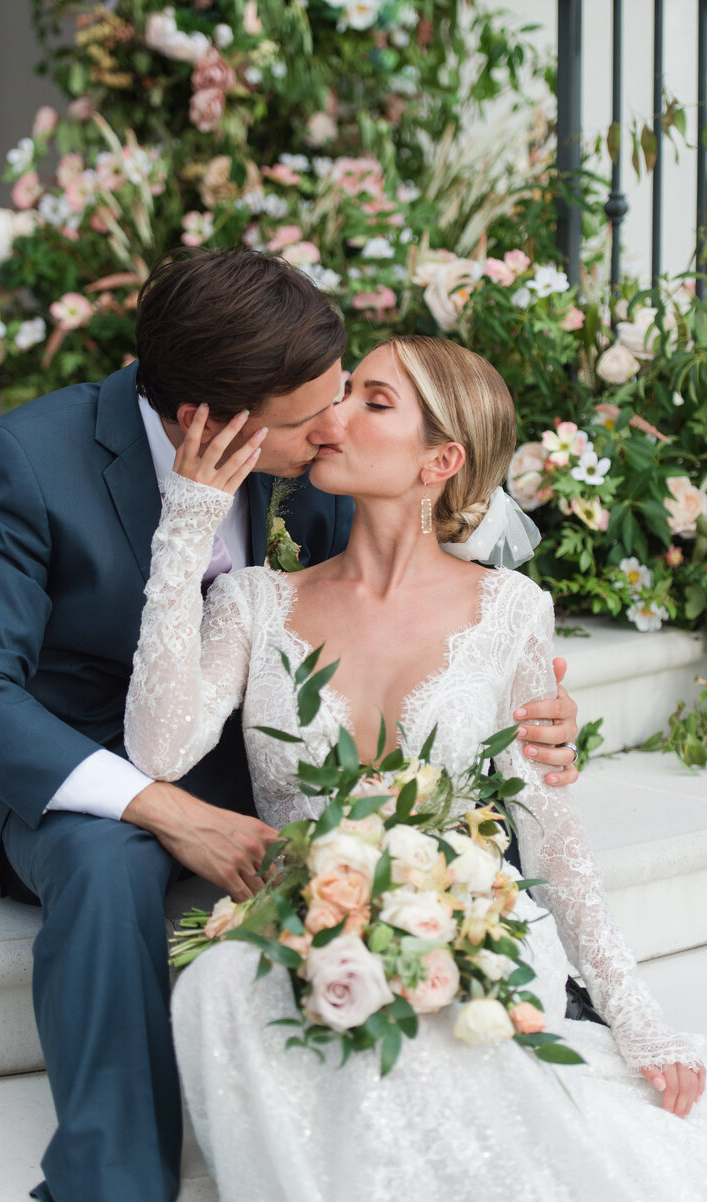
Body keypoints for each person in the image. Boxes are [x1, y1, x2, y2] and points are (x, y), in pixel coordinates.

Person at [0, 250, 578, 1202]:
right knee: (107, 862)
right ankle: (113, 1183)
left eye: (346, 397)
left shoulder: (315, 443)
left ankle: (538, 997)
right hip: (72, 769)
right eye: (311, 419)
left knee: (436, 774)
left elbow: (443, 542)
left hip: (252, 748)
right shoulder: (29, 462)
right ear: (206, 423)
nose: (335, 426)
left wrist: (537, 694)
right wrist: (160, 809)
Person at [125, 334, 706, 1202]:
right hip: (302, 928)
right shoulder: (251, 600)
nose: (335, 416)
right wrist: (187, 525)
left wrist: (639, 1018)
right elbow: (158, 752)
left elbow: (554, 845)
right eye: (345, 392)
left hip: (462, 934)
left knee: (444, 1034)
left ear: (441, 460)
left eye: (372, 401)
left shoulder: (511, 611)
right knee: (223, 985)